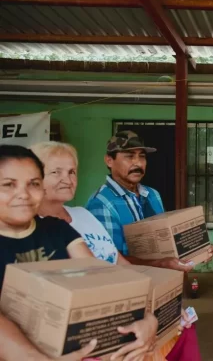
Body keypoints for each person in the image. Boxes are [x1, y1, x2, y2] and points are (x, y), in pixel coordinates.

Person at [32, 141, 198, 361]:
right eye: (56, 172)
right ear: (34, 178)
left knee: (183, 326)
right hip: (94, 319)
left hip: (122, 302)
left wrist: (154, 306)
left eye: (72, 171)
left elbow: (120, 264)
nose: (68, 179)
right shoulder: (35, 227)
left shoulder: (82, 214)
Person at [0, 144, 157, 361]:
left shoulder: (57, 228)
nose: (23, 194)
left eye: (33, 184)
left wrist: (148, 318)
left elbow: (101, 278)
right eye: (8, 185)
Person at [85, 130, 213, 270]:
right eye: (129, 156)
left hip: (163, 284)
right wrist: (161, 264)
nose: (138, 163)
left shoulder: (152, 194)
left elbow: (167, 243)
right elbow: (108, 260)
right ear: (109, 161)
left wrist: (197, 250)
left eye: (142, 156)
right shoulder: (101, 203)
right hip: (129, 287)